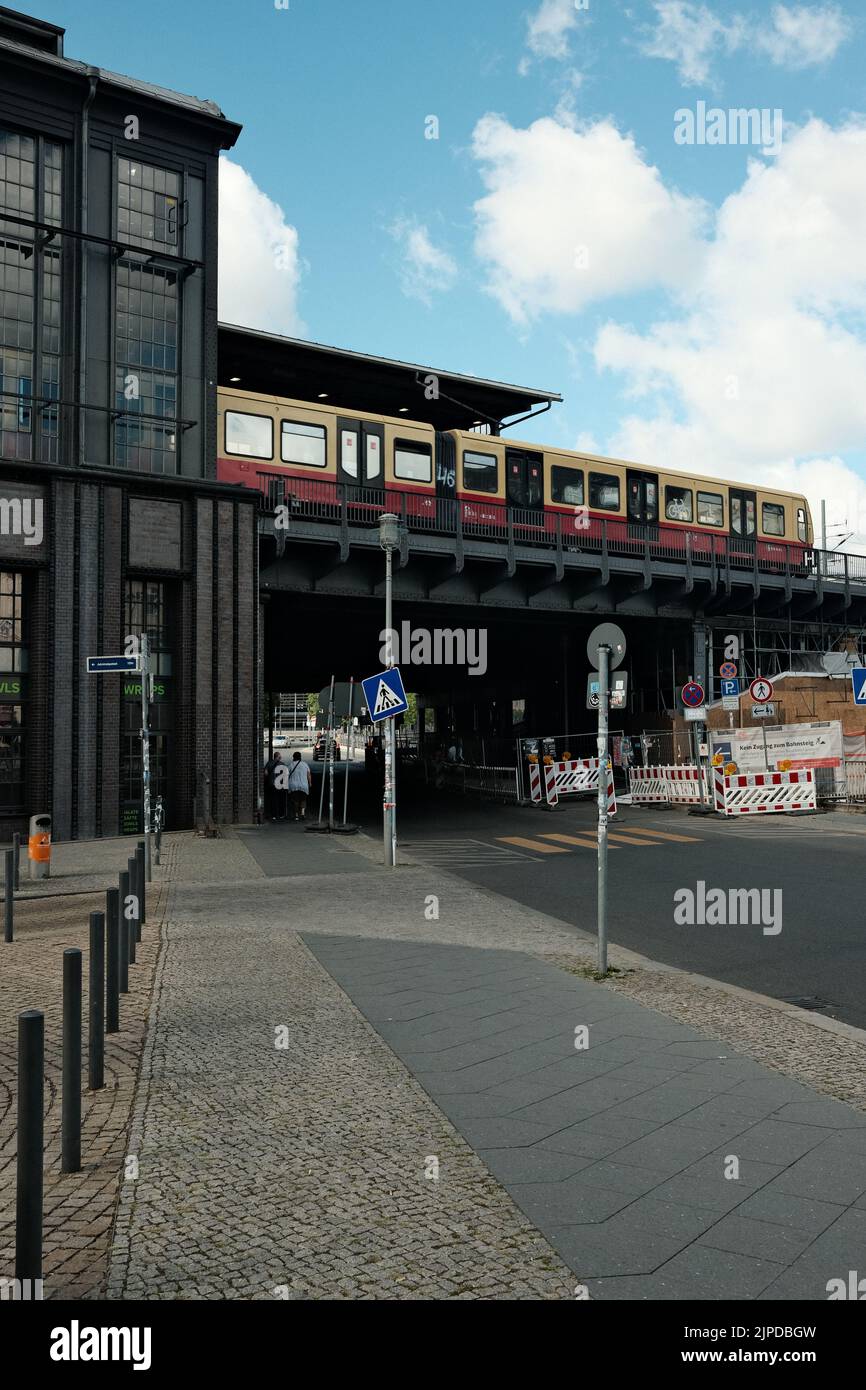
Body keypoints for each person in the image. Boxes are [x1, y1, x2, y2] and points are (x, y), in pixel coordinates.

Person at [286, 749, 312, 822]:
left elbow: (286, 775)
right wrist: (310, 783)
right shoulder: (305, 764)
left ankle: (296, 815)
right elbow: (308, 775)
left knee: (295, 801)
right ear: (300, 757)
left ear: (293, 757)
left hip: (293, 786)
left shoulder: (290, 765)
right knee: (303, 800)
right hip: (304, 785)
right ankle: (303, 814)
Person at [266, 750, 288, 821]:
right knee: (281, 800)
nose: (281, 756)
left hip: (272, 784)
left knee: (273, 800)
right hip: (280, 785)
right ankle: (281, 814)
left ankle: (274, 815)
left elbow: (265, 773)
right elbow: (286, 775)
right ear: (278, 757)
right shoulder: (282, 764)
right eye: (280, 756)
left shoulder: (269, 763)